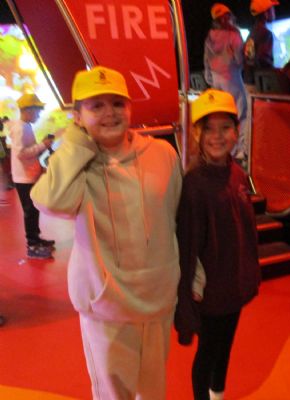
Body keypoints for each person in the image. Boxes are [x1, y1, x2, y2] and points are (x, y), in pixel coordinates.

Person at [31, 66, 182, 399]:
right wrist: (76, 142)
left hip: (157, 299)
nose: (109, 113)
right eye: (96, 106)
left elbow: (176, 221)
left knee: (154, 391)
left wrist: (189, 282)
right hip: (106, 306)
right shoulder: (76, 163)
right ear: (77, 116)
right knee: (114, 394)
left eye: (117, 103)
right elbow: (51, 201)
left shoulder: (163, 154)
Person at [174, 89, 261, 400]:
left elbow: (245, 232)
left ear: (236, 131)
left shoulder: (237, 174)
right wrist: (187, 297)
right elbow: (187, 246)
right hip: (210, 292)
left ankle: (218, 396)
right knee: (208, 352)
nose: (217, 136)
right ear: (197, 133)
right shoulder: (194, 183)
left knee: (225, 347)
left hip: (234, 285)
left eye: (225, 127)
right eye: (208, 128)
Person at [7, 94, 55, 259]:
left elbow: (28, 151)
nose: (39, 115)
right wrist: (42, 145)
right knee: (30, 210)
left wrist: (41, 148)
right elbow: (21, 153)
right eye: (37, 111)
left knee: (33, 209)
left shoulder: (25, 126)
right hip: (24, 178)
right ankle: (32, 245)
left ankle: (36, 238)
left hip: (28, 175)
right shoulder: (21, 128)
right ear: (28, 110)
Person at [203, 3, 248, 162]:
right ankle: (239, 151)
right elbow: (239, 59)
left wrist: (211, 80)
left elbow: (206, 63)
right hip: (232, 78)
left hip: (215, 80)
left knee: (223, 116)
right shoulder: (233, 35)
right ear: (228, 16)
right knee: (241, 115)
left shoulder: (210, 36)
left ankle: (226, 151)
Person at [244, 0, 280, 84]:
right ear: (265, 14)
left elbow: (249, 58)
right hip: (261, 83)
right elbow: (264, 60)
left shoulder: (252, 32)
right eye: (271, 9)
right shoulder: (266, 33)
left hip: (249, 79)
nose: (274, 12)